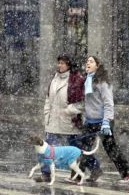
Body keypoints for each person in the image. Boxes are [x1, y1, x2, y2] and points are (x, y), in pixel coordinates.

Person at [79, 56, 129, 182]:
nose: (88, 63)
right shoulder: (87, 81)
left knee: (111, 148)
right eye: (87, 61)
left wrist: (106, 123)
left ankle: (126, 171)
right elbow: (87, 103)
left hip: (103, 121)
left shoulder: (103, 82)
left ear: (97, 66)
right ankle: (84, 173)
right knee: (83, 149)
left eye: (91, 61)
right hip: (90, 121)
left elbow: (109, 104)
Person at [34, 54, 85, 182]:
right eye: (59, 63)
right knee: (47, 150)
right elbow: (48, 98)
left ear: (69, 65)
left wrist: (67, 111)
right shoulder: (55, 78)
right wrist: (47, 113)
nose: (60, 65)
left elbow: (82, 103)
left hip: (69, 122)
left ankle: (78, 174)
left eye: (63, 63)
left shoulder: (77, 80)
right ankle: (46, 174)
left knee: (75, 149)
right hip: (53, 121)